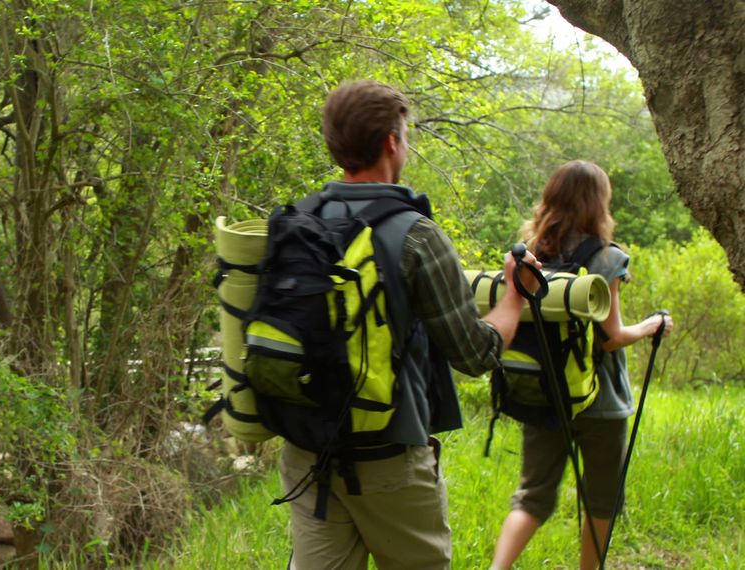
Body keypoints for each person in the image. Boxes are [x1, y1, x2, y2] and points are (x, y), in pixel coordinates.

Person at [281, 79, 539, 569]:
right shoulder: (416, 235)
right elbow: (475, 353)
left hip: (306, 456)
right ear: (391, 142)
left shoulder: (299, 221)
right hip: (388, 460)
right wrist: (515, 294)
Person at [489, 160, 674, 570]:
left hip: (544, 395)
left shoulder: (530, 255)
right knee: (602, 497)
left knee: (532, 496)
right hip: (601, 400)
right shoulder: (607, 258)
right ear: (598, 203)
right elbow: (612, 337)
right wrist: (652, 325)